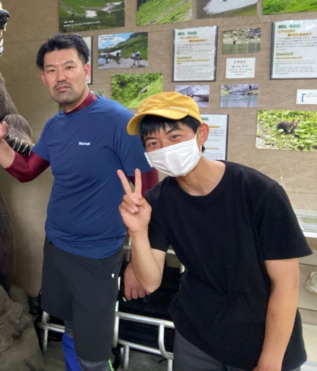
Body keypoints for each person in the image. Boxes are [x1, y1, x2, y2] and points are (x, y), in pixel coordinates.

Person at [0, 33, 158, 371]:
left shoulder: (118, 120)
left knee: (94, 353)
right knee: (70, 325)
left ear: (86, 70)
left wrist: (137, 261)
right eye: (51, 70)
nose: (61, 77)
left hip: (97, 255)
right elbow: (27, 170)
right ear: (44, 78)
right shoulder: (55, 127)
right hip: (57, 246)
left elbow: (150, 192)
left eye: (69, 67)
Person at [117, 91, 311, 371]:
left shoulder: (259, 192)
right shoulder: (159, 200)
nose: (165, 148)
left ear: (202, 134)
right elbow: (150, 282)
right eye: (153, 143)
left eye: (174, 136)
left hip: (262, 339)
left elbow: (286, 284)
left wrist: (270, 362)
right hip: (197, 337)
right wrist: (137, 232)